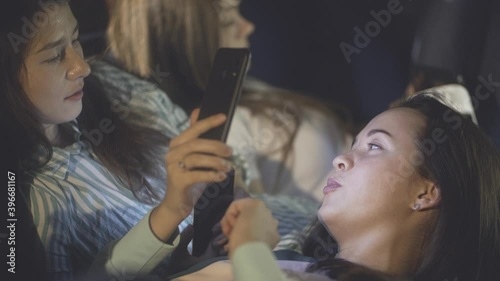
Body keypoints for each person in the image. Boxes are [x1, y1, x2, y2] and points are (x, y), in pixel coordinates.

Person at [0, 1, 241, 280]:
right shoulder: (37, 203)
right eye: (55, 56)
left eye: (75, 41)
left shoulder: (113, 87)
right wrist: (172, 211)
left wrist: (223, 188)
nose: (82, 67)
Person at [167, 93, 500, 281]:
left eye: (375, 147)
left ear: (424, 193)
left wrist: (249, 249)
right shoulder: (290, 260)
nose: (341, 159)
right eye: (353, 144)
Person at [102, 0, 352, 200]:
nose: (248, 26)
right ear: (189, 41)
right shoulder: (222, 128)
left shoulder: (247, 89)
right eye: (231, 20)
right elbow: (254, 221)